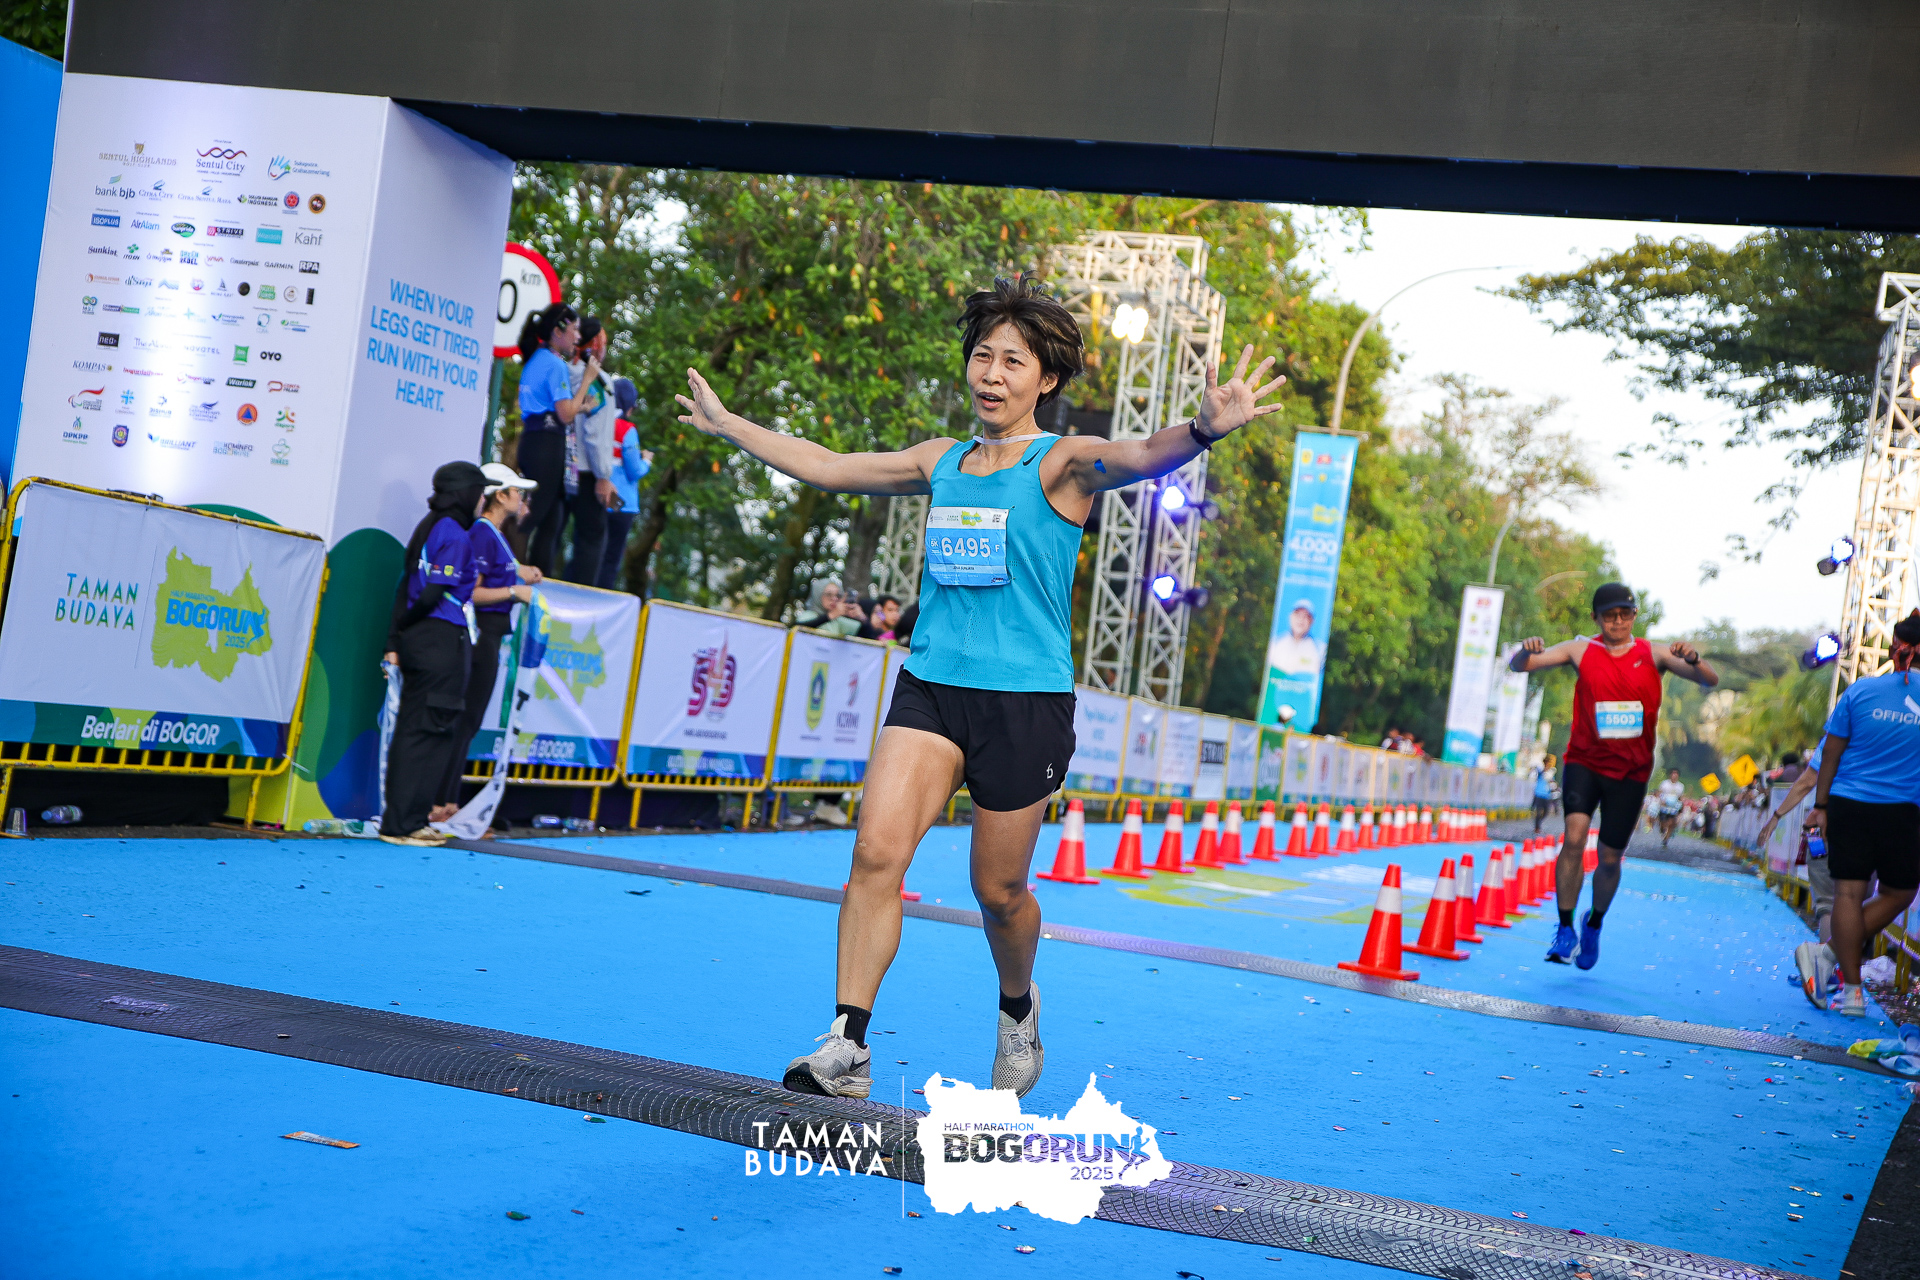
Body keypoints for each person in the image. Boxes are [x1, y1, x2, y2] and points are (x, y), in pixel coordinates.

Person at [674, 276, 1285, 1098]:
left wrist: (1204, 429)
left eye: (1013, 362)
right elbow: (829, 466)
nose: (992, 375)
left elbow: (1141, 455)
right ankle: (848, 1044)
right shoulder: (942, 461)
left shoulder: (1060, 464)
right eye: (982, 357)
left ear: (1046, 379)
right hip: (931, 687)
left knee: (997, 893)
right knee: (874, 854)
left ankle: (1018, 1006)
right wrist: (730, 426)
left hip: (1024, 703)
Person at [1510, 583, 1720, 970]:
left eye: (1625, 614)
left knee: (1609, 858)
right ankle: (1565, 928)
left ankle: (1593, 924)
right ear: (1596, 618)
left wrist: (1694, 659)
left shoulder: (1654, 653)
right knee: (1574, 838)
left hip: (1630, 772)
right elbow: (1520, 665)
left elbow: (1710, 680)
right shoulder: (1580, 650)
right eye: (1609, 616)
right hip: (1584, 762)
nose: (1618, 621)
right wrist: (1526, 650)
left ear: (1634, 615)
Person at [1805, 610, 1920, 1017]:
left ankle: (1848, 985)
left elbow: (1830, 754)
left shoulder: (1860, 691)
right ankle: (1830, 959)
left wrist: (1820, 807)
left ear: (1894, 649)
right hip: (1904, 811)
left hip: (1849, 804)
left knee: (1848, 894)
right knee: (1899, 893)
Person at [381, 462, 488, 847]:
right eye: (480, 492)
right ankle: (405, 824)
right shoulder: (454, 534)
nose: (483, 500)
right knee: (428, 731)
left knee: (416, 729)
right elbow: (430, 595)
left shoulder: (428, 527)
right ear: (465, 493)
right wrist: (409, 625)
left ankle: (403, 820)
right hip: (439, 641)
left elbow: (404, 586)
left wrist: (397, 638)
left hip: (424, 641)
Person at [435, 463, 546, 825]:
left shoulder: (494, 535)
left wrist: (520, 575)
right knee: (465, 718)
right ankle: (441, 803)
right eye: (517, 492)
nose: (522, 500)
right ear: (500, 496)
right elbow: (473, 592)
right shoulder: (482, 533)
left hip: (491, 634)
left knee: (470, 719)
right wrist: (515, 591)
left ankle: (447, 802)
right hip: (480, 632)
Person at [515, 304, 600, 576]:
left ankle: (538, 580)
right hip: (546, 446)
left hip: (535, 440)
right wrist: (587, 380)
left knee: (553, 519)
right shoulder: (555, 364)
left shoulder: (537, 358)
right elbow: (565, 415)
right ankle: (508, 573)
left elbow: (554, 408)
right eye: (575, 330)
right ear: (558, 331)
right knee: (531, 517)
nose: (578, 337)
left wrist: (580, 407)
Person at [564, 318, 619, 584]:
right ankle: (582, 598)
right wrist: (603, 475)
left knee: (554, 532)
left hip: (564, 465)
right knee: (591, 539)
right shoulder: (598, 382)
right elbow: (595, 433)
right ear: (595, 345)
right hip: (588, 472)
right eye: (603, 342)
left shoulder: (564, 373)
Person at [596, 380, 653, 590]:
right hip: (622, 503)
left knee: (592, 550)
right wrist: (646, 460)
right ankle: (601, 598)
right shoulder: (627, 429)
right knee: (611, 558)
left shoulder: (598, 421)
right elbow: (634, 470)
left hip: (597, 498)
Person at [1267, 599, 1323, 679]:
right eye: (1297, 615)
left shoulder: (1320, 650)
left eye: (1306, 616)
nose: (1301, 619)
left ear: (1311, 621)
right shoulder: (1275, 643)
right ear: (1291, 617)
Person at [794, 580, 866, 636]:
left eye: (838, 595)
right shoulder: (808, 615)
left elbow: (865, 635)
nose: (834, 599)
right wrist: (830, 615)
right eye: (829, 594)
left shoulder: (838, 621)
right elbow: (796, 629)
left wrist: (862, 618)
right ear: (818, 595)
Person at [1655, 769, 1686, 847]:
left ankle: (1666, 838)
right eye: (1673, 774)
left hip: (1673, 808)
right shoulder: (1665, 784)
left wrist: (1681, 805)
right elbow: (1660, 793)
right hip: (1664, 807)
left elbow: (1680, 797)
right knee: (1662, 822)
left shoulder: (1680, 786)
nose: (1674, 776)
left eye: (1676, 775)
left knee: (1671, 823)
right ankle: (1662, 830)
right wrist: (1661, 801)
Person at [1531, 753, 1559, 834]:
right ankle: (1537, 827)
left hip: (1546, 795)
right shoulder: (1540, 770)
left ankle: (1539, 823)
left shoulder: (1551, 773)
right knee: (1539, 811)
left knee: (1546, 811)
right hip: (1538, 793)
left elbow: (1552, 783)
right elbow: (1536, 774)